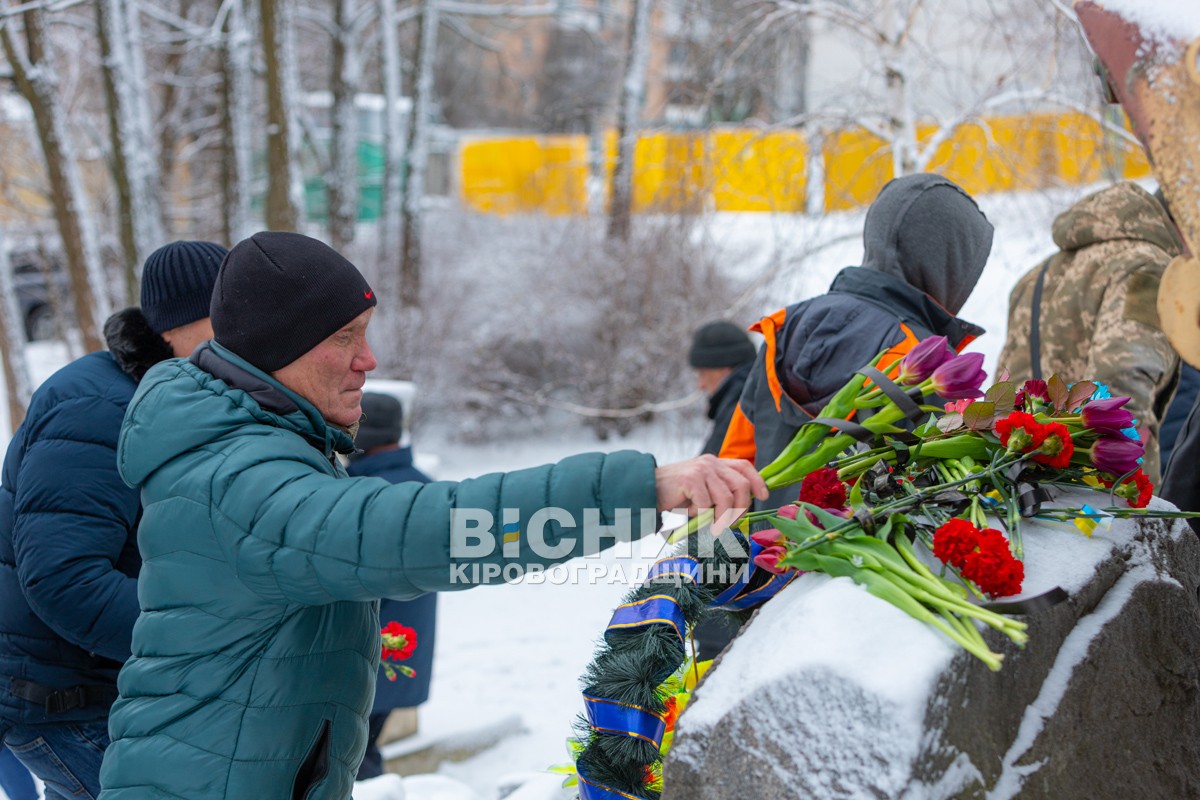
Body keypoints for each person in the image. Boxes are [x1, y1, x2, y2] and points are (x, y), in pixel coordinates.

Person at [96, 230, 766, 800]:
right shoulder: (238, 480)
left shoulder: (254, 445)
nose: (370, 360)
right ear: (278, 352)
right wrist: (638, 490)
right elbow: (424, 530)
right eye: (346, 337)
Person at [0, 240, 227, 799]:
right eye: (229, 319)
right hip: (62, 698)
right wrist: (204, 638)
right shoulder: (103, 405)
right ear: (181, 323)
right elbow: (63, 575)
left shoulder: (176, 397)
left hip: (110, 689)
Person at [720, 173, 992, 511]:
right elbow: (953, 502)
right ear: (952, 266)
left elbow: (731, 472)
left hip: (767, 554)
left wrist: (723, 564)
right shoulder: (927, 362)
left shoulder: (787, 324)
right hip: (862, 561)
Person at [997, 182, 1183, 485]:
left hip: (1022, 479)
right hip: (1100, 492)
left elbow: (1006, 389)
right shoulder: (1151, 266)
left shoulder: (1036, 275)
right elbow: (1122, 383)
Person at [347, 392, 435, 781]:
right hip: (405, 646)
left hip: (364, 653)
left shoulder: (359, 494)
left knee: (354, 759)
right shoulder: (425, 488)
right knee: (363, 750)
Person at [689, 321, 757, 457]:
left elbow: (708, 472)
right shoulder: (755, 396)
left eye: (702, 373)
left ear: (726, 369)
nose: (700, 385)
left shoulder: (739, 409)